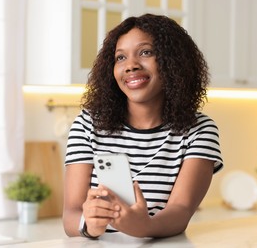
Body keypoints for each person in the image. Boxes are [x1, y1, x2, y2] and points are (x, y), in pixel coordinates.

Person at [62, 13, 223, 239]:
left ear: (172, 61)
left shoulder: (198, 130)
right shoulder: (88, 124)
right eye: (120, 58)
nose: (130, 66)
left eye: (146, 52)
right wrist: (88, 224)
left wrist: (144, 226)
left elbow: (181, 210)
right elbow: (70, 214)